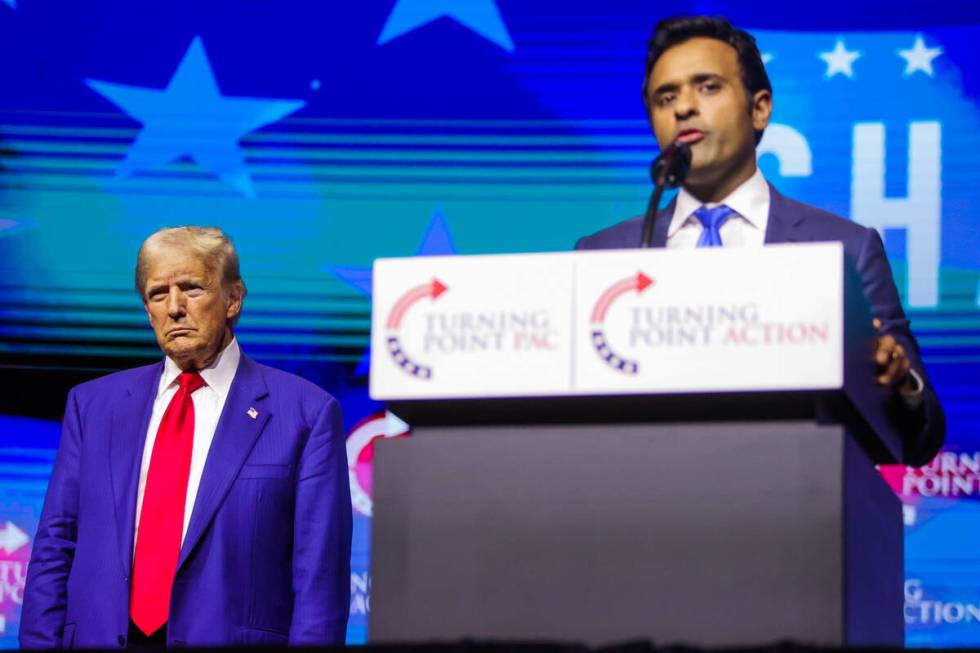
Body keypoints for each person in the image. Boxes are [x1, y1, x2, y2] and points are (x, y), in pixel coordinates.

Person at [576, 16, 943, 466]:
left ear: (760, 108)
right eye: (665, 97)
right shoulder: (600, 256)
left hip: (794, 508)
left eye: (707, 87)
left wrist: (900, 383)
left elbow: (922, 438)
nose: (684, 108)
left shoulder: (845, 249)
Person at [21, 227, 352, 648]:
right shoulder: (92, 407)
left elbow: (320, 577)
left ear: (233, 299)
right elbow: (56, 545)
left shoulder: (305, 414)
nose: (175, 307)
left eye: (192, 288)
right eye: (158, 294)